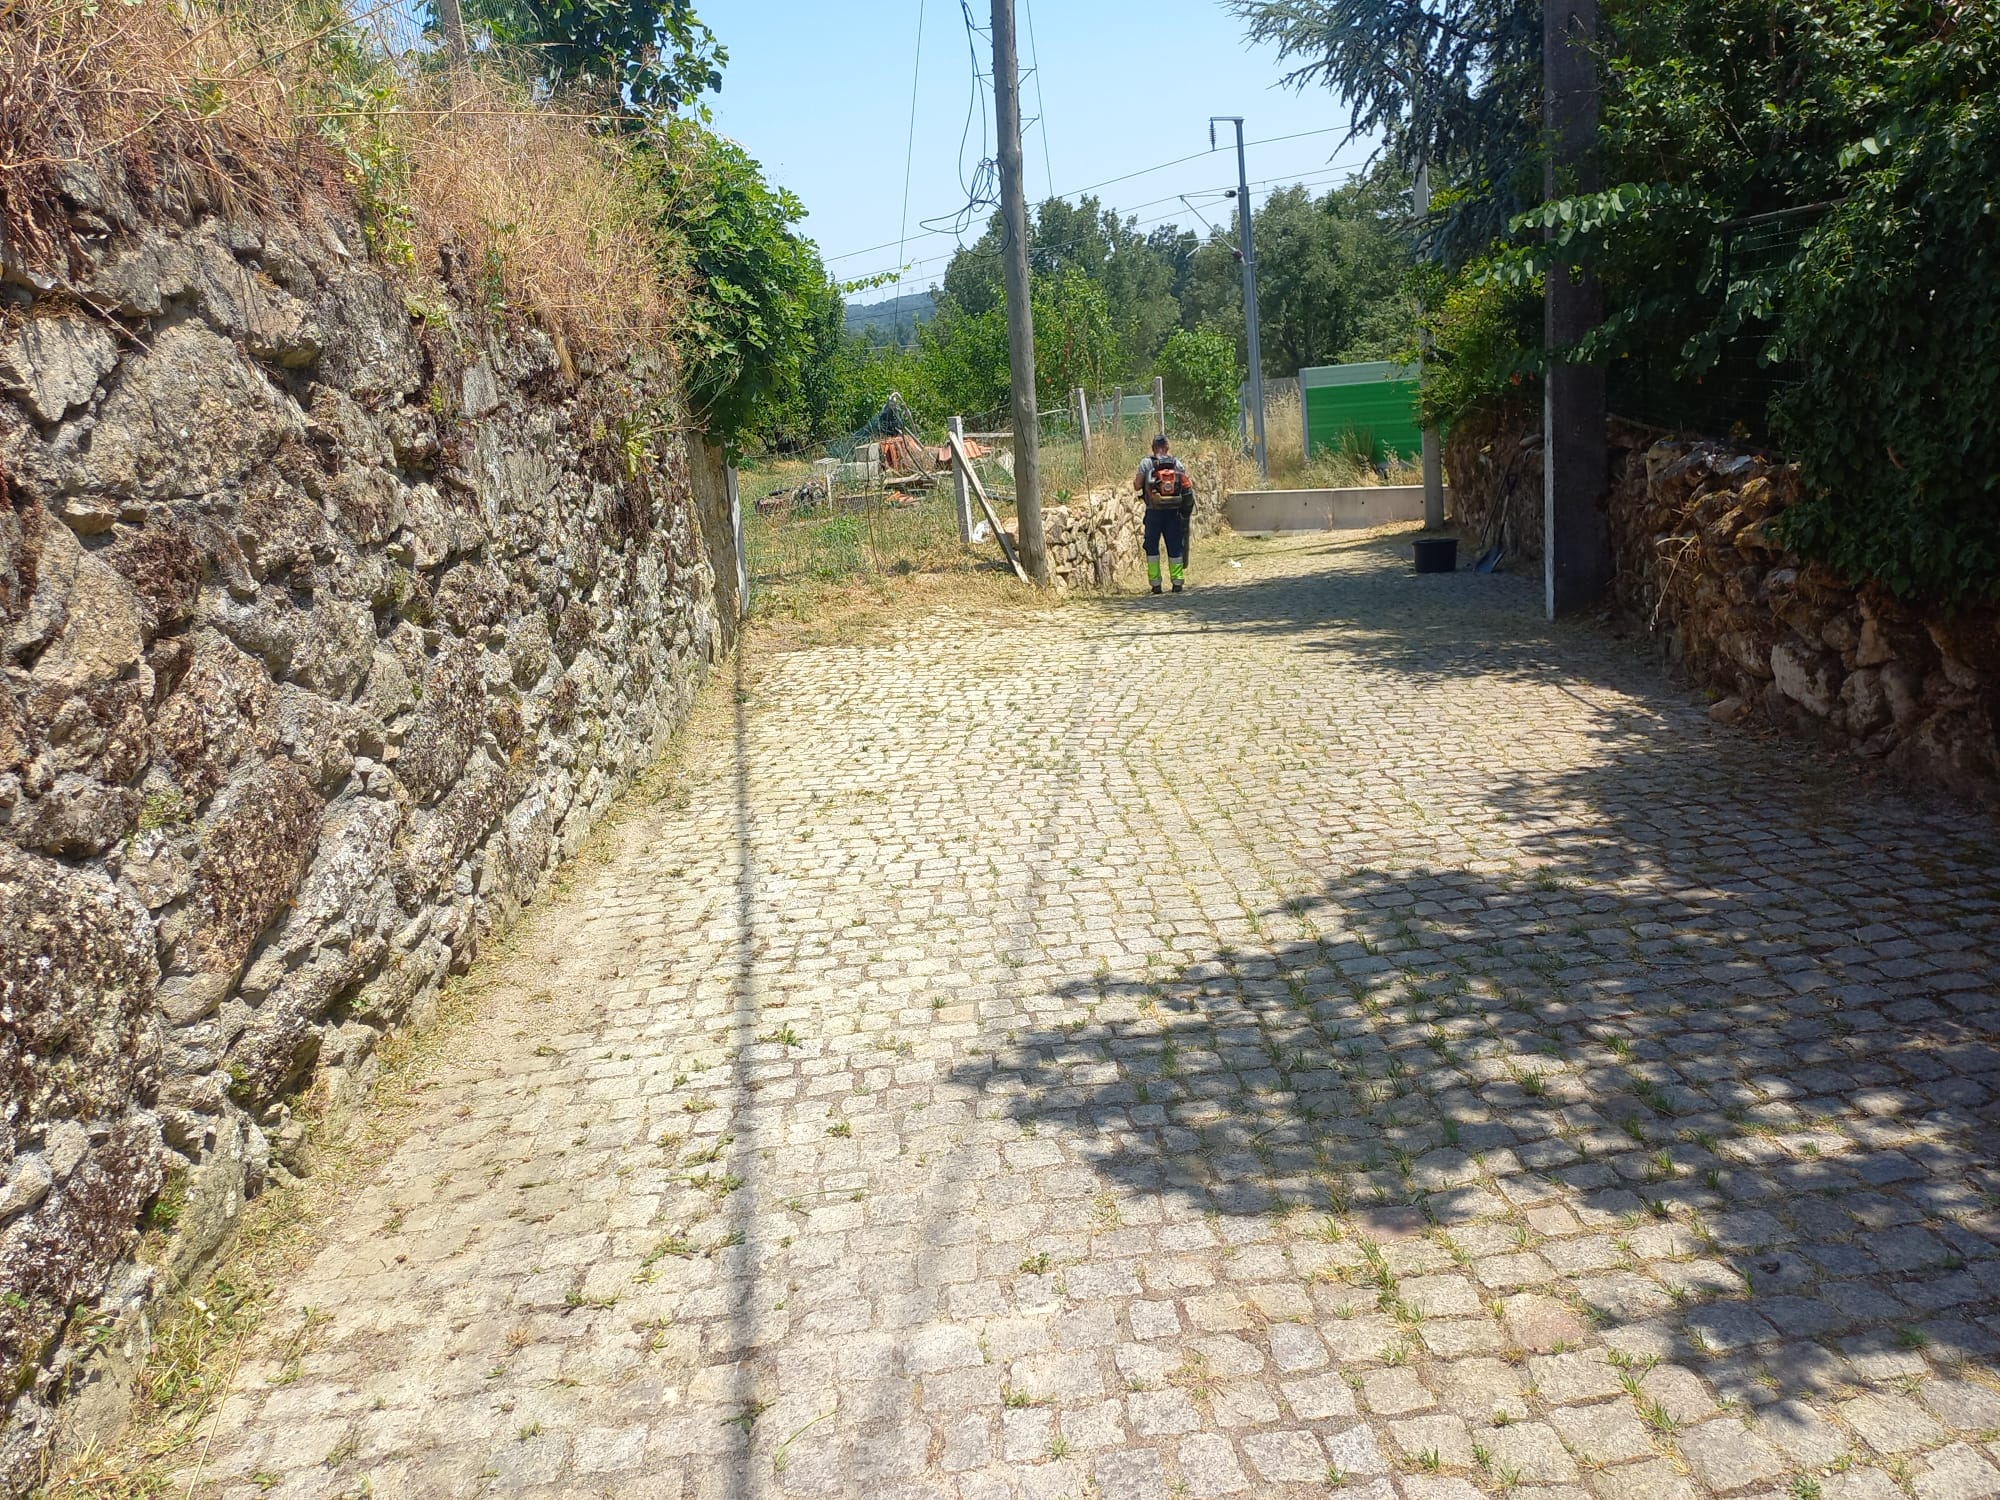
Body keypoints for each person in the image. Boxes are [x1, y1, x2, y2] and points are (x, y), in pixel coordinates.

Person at [1134, 434, 1195, 594]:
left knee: (1152, 546)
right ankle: (1177, 582)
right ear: (1167, 447)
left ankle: (1156, 584)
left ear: (1153, 448)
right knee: (1175, 546)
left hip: (1153, 512)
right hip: (1173, 513)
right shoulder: (1177, 463)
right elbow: (1186, 486)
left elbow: (1137, 485)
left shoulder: (1146, 463)